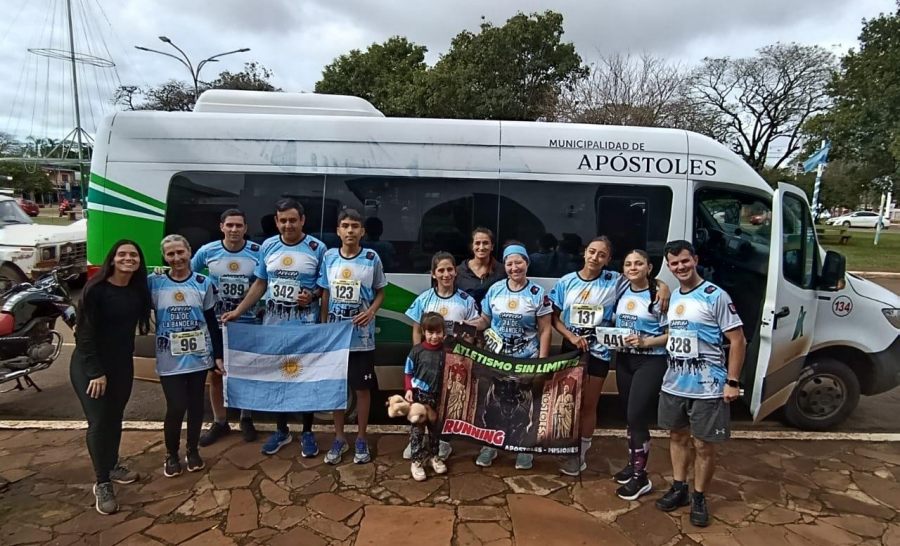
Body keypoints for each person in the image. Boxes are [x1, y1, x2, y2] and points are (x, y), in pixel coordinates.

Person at [222, 199, 326, 459]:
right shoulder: (268, 246)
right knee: (279, 378)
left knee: (305, 378)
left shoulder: (317, 247)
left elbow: (324, 287)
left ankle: (308, 431)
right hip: (274, 326)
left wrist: (311, 296)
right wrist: (238, 311)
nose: (288, 225)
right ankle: (281, 430)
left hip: (304, 326)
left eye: (293, 220)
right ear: (277, 221)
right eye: (283, 220)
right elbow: (260, 284)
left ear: (302, 220)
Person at [655, 240, 746, 527]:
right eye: (674, 263)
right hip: (674, 383)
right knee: (677, 437)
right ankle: (679, 487)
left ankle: (699, 496)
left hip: (708, 386)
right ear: (669, 267)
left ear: (695, 259)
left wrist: (732, 381)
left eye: (684, 261)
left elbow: (737, 340)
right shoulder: (674, 298)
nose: (680, 267)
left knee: (704, 445)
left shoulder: (714, 295)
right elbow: (672, 334)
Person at [70, 240, 152, 515]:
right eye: (122, 254)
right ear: (113, 259)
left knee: (115, 416)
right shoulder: (96, 290)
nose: (128, 259)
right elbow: (83, 335)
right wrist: (96, 372)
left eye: (133, 255)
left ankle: (113, 464)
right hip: (90, 367)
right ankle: (102, 482)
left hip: (120, 365)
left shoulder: (137, 290)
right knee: (99, 421)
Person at [149, 234, 224, 478]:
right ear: (164, 257)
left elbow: (211, 321)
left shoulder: (203, 282)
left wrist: (218, 355)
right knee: (176, 406)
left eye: (180, 252)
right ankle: (171, 453)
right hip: (168, 356)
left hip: (198, 355)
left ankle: (192, 450)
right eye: (170, 254)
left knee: (194, 406)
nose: (176, 258)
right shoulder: (155, 282)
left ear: (190, 252)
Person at [472, 242, 552, 470]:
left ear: (527, 263)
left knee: (524, 407)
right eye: (509, 263)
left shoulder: (537, 294)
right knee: (493, 404)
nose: (514, 267)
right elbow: (485, 320)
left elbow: (545, 329)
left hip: (526, 359)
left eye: (519, 262)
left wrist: (542, 362)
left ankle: (523, 448)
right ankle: (490, 445)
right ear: (504, 266)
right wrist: (467, 325)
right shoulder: (495, 289)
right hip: (497, 360)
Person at [548, 236, 623, 476]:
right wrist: (570, 336)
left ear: (608, 259)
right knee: (566, 401)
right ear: (584, 253)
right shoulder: (566, 282)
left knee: (589, 404)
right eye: (592, 252)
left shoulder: (614, 281)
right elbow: (554, 317)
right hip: (570, 350)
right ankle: (564, 446)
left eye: (602, 254)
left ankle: (580, 454)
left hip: (597, 352)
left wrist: (661, 287)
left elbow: (643, 283)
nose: (595, 258)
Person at [319, 208, 387, 465]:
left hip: (362, 339)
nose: (350, 230)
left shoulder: (371, 258)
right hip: (335, 337)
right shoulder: (329, 257)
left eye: (355, 226)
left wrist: (370, 311)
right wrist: (325, 326)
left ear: (362, 231)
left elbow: (381, 291)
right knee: (337, 389)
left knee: (362, 390)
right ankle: (339, 438)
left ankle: (360, 438)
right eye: (345, 225)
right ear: (338, 230)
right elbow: (325, 293)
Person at [193, 209, 261, 446]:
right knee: (216, 374)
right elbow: (191, 278)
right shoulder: (207, 251)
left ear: (245, 228)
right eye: (229, 225)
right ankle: (220, 421)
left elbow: (266, 283)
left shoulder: (257, 253)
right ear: (221, 226)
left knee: (246, 371)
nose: (234, 230)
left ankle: (246, 417)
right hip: (217, 322)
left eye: (238, 225)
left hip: (248, 322)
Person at [402, 251, 479, 460]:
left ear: (456, 272)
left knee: (446, 405)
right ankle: (416, 441)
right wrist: (419, 355)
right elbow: (417, 329)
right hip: (426, 364)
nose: (446, 274)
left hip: (453, 364)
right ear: (434, 274)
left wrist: (462, 357)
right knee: (421, 403)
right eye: (441, 270)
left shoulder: (466, 301)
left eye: (450, 269)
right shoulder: (424, 299)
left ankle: (443, 442)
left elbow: (471, 333)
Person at [612, 249, 669, 500]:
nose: (633, 267)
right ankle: (633, 463)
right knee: (629, 416)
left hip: (651, 361)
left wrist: (647, 342)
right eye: (628, 264)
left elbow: (672, 333)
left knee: (637, 415)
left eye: (638, 264)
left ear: (649, 267)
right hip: (624, 359)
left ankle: (641, 477)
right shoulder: (621, 289)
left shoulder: (659, 295)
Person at [404, 312, 449, 481]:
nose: (434, 337)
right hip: (419, 397)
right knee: (417, 430)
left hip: (439, 398)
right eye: (430, 333)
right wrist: (408, 389)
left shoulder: (447, 352)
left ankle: (434, 457)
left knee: (435, 430)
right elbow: (408, 372)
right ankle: (416, 461)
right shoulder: (416, 351)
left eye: (438, 332)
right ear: (424, 332)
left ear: (443, 333)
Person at [456, 227, 506, 308]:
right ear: (472, 246)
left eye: (485, 243)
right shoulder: (459, 271)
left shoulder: (503, 271)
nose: (481, 247)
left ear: (492, 246)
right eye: (477, 243)